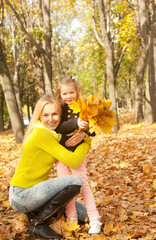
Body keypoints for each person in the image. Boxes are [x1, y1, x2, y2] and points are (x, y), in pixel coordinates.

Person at [9, 95, 91, 239]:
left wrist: (82, 132)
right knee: (75, 181)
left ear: (60, 114)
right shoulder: (42, 134)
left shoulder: (54, 134)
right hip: (21, 195)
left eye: (54, 114)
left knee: (84, 214)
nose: (51, 119)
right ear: (39, 116)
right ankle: (37, 224)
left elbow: (69, 140)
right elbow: (73, 161)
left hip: (36, 193)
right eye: (45, 115)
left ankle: (34, 213)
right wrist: (87, 141)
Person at [55, 76, 102, 234]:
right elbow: (58, 128)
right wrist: (76, 124)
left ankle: (95, 219)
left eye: (71, 92)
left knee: (83, 185)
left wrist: (85, 130)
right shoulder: (58, 108)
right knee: (66, 187)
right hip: (61, 154)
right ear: (59, 94)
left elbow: (94, 130)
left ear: (77, 91)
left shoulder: (84, 107)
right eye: (64, 93)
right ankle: (72, 218)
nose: (68, 96)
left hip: (77, 153)